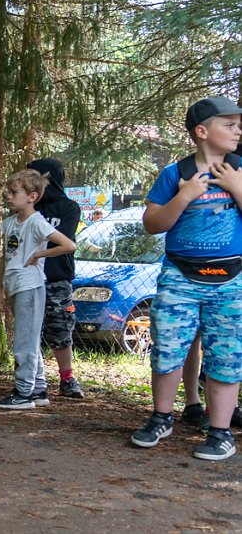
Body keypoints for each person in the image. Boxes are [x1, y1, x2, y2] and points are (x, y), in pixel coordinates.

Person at [130, 96, 242, 461]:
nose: (237, 130)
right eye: (229, 124)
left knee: (226, 355)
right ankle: (161, 417)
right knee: (168, 348)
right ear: (202, 131)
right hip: (180, 277)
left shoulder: (240, 169)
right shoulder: (175, 174)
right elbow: (152, 225)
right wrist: (185, 196)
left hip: (231, 279)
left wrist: (237, 188)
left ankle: (220, 431)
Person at [0, 169, 76, 409]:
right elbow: (6, 257)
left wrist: (40, 253)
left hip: (31, 285)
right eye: (8, 192)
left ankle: (23, 392)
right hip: (15, 285)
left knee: (25, 341)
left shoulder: (37, 222)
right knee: (28, 338)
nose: (9, 196)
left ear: (32, 196)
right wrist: (1, 288)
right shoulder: (9, 223)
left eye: (14, 192)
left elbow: (68, 245)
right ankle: (38, 389)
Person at [26, 158, 85, 399]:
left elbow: (63, 242)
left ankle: (67, 378)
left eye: (35, 176)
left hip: (56, 278)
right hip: (29, 278)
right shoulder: (29, 206)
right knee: (31, 330)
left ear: (48, 178)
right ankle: (33, 380)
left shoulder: (69, 207)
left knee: (60, 329)